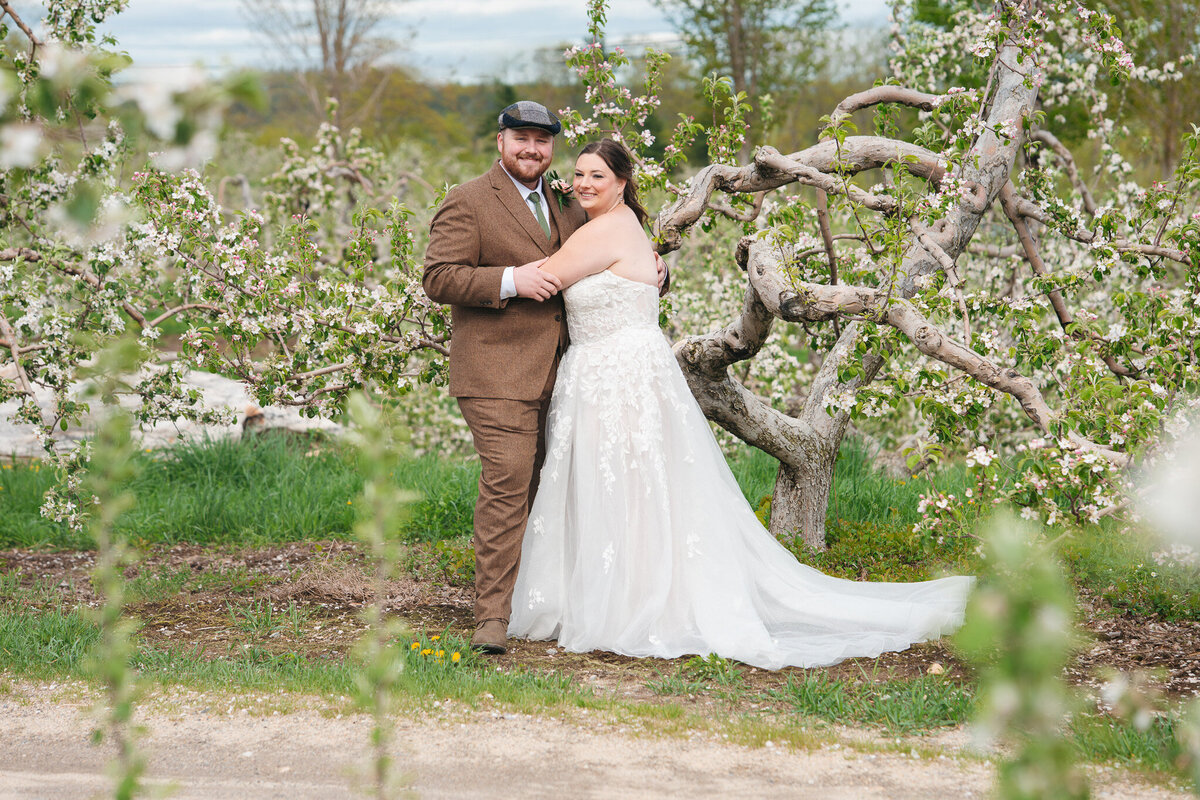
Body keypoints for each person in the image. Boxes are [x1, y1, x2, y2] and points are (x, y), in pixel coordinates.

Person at [507, 139, 974, 669]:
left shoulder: (606, 229)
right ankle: (619, 591)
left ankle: (629, 600)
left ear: (621, 182)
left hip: (616, 375)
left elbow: (546, 276)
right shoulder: (617, 228)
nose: (585, 184)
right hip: (611, 370)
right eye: (579, 175)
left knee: (624, 481)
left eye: (598, 175)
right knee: (629, 484)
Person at [422, 102, 665, 654]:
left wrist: (659, 270)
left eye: (542, 140)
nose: (532, 149)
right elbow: (438, 277)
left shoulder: (566, 199)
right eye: (521, 138)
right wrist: (509, 280)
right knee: (508, 486)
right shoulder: (468, 200)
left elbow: (612, 260)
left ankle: (566, 601)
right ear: (500, 140)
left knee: (560, 491)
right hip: (497, 372)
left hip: (572, 376)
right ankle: (491, 620)